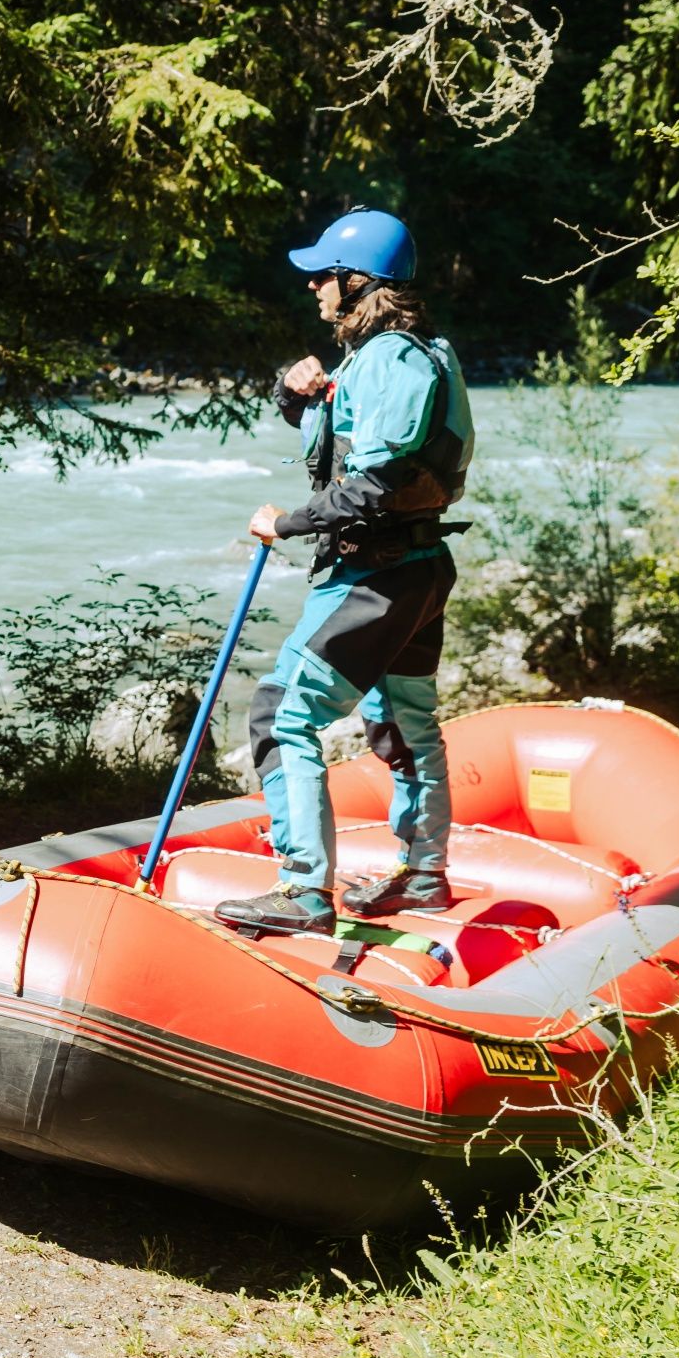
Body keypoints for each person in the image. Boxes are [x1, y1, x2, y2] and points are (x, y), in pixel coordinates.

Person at [215, 209, 473, 936]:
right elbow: (343, 440)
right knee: (404, 721)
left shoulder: (389, 358)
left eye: (324, 275)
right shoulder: (413, 353)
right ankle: (424, 874)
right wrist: (295, 392)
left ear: (359, 282)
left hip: (374, 576)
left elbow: (377, 483)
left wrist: (287, 523)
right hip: (418, 569)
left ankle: (302, 894)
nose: (314, 287)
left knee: (279, 715)